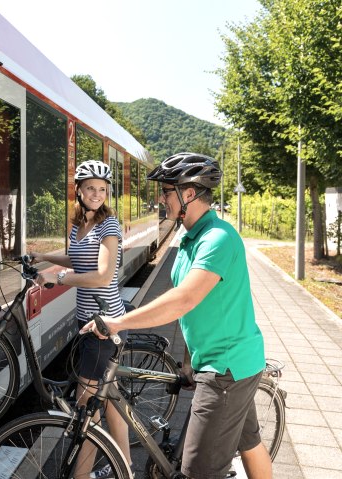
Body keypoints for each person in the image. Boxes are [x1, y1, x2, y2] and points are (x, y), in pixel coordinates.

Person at [81, 152, 272, 479]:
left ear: (189, 193)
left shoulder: (218, 239)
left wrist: (119, 321)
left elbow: (183, 299)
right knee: (249, 442)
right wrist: (187, 360)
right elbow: (193, 311)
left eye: (167, 191)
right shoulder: (189, 239)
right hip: (221, 361)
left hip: (226, 369)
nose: (161, 198)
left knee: (195, 470)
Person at [29, 159, 132, 479]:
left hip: (105, 325)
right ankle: (126, 467)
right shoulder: (80, 224)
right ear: (78, 190)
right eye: (91, 188)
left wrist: (57, 278)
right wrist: (45, 257)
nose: (97, 194)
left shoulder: (108, 226)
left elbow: (102, 276)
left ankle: (80, 475)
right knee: (110, 400)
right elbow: (76, 257)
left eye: (102, 189)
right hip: (86, 323)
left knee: (87, 407)